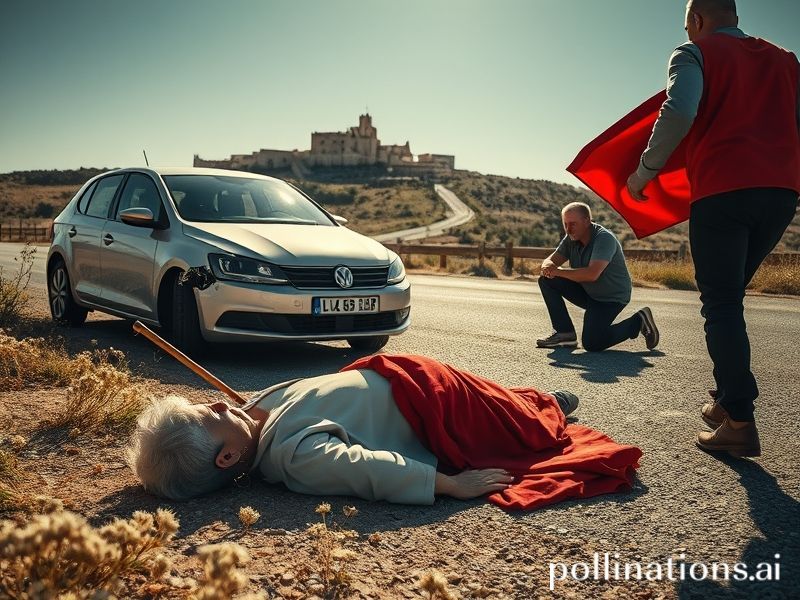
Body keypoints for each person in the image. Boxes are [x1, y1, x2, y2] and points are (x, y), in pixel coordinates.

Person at [126, 354, 642, 510]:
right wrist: (448, 484)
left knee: (498, 393)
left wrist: (250, 410)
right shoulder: (290, 456)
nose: (219, 402)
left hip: (407, 375)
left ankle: (544, 400)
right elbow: (366, 468)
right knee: (518, 421)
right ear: (226, 458)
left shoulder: (255, 419)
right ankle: (555, 405)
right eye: (209, 415)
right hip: (431, 408)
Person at [625, 0, 800, 457]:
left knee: (720, 305)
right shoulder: (786, 60)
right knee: (729, 298)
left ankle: (740, 421)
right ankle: (728, 398)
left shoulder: (692, 52)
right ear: (736, 18)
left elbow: (679, 110)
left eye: (688, 25)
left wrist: (645, 172)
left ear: (696, 21)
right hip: (781, 193)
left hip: (724, 191)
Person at [536, 201, 659, 352]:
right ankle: (565, 334)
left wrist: (557, 271)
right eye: (565, 224)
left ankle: (639, 320)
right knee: (546, 280)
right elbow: (550, 261)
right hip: (589, 293)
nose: (568, 229)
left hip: (611, 298)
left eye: (573, 224)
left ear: (586, 221)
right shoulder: (571, 238)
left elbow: (592, 274)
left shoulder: (604, 238)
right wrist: (547, 266)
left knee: (592, 343)